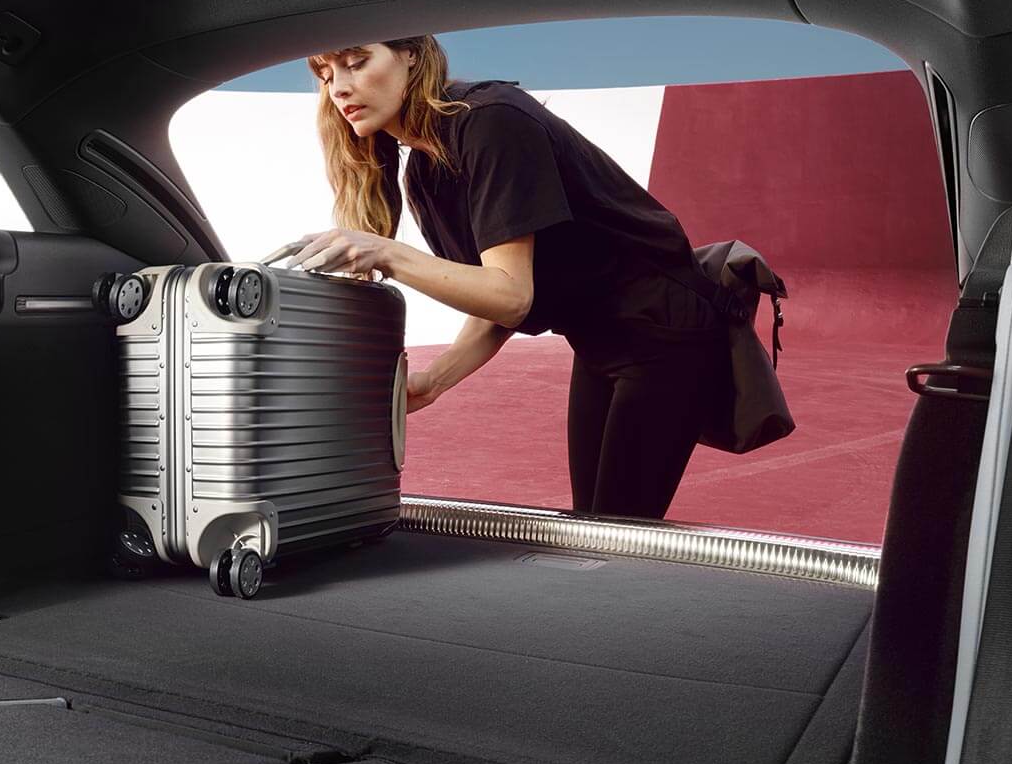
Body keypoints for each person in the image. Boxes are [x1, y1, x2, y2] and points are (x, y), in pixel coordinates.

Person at [278, 36, 728, 520]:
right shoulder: (426, 168)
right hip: (601, 340)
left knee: (616, 533)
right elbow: (494, 296)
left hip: (663, 330)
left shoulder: (492, 122)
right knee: (592, 527)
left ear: (411, 54)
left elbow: (511, 295)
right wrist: (434, 382)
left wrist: (385, 252)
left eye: (356, 62)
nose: (339, 89)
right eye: (327, 76)